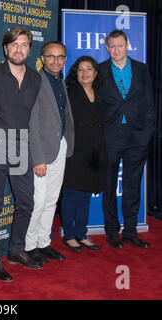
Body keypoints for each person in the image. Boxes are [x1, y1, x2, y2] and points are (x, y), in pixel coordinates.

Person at [0, 27, 42, 283]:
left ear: (29, 49)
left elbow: (36, 118)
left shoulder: (35, 79)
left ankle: (16, 251)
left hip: (22, 147)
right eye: (13, 44)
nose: (18, 49)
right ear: (5, 49)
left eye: (23, 44)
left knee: (26, 203)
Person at [99, 30, 155, 249]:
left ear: (127, 45)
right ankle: (111, 231)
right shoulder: (101, 70)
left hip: (137, 135)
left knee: (133, 185)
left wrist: (148, 131)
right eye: (112, 46)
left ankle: (130, 231)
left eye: (120, 46)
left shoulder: (141, 69)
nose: (116, 50)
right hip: (111, 134)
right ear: (107, 47)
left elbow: (149, 103)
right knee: (108, 184)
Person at [25, 41, 74, 263]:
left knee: (52, 199)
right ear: (42, 58)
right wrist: (38, 157)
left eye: (61, 56)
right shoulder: (36, 81)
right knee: (39, 200)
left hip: (60, 146)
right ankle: (28, 246)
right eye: (51, 56)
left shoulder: (61, 80)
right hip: (42, 151)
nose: (56, 60)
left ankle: (44, 242)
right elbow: (32, 122)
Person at [60, 56, 106, 252]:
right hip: (74, 151)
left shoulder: (101, 93)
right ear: (75, 73)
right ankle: (69, 235)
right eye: (81, 69)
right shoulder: (69, 94)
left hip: (94, 153)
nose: (85, 73)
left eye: (89, 69)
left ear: (96, 73)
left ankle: (81, 233)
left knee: (85, 195)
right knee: (71, 194)